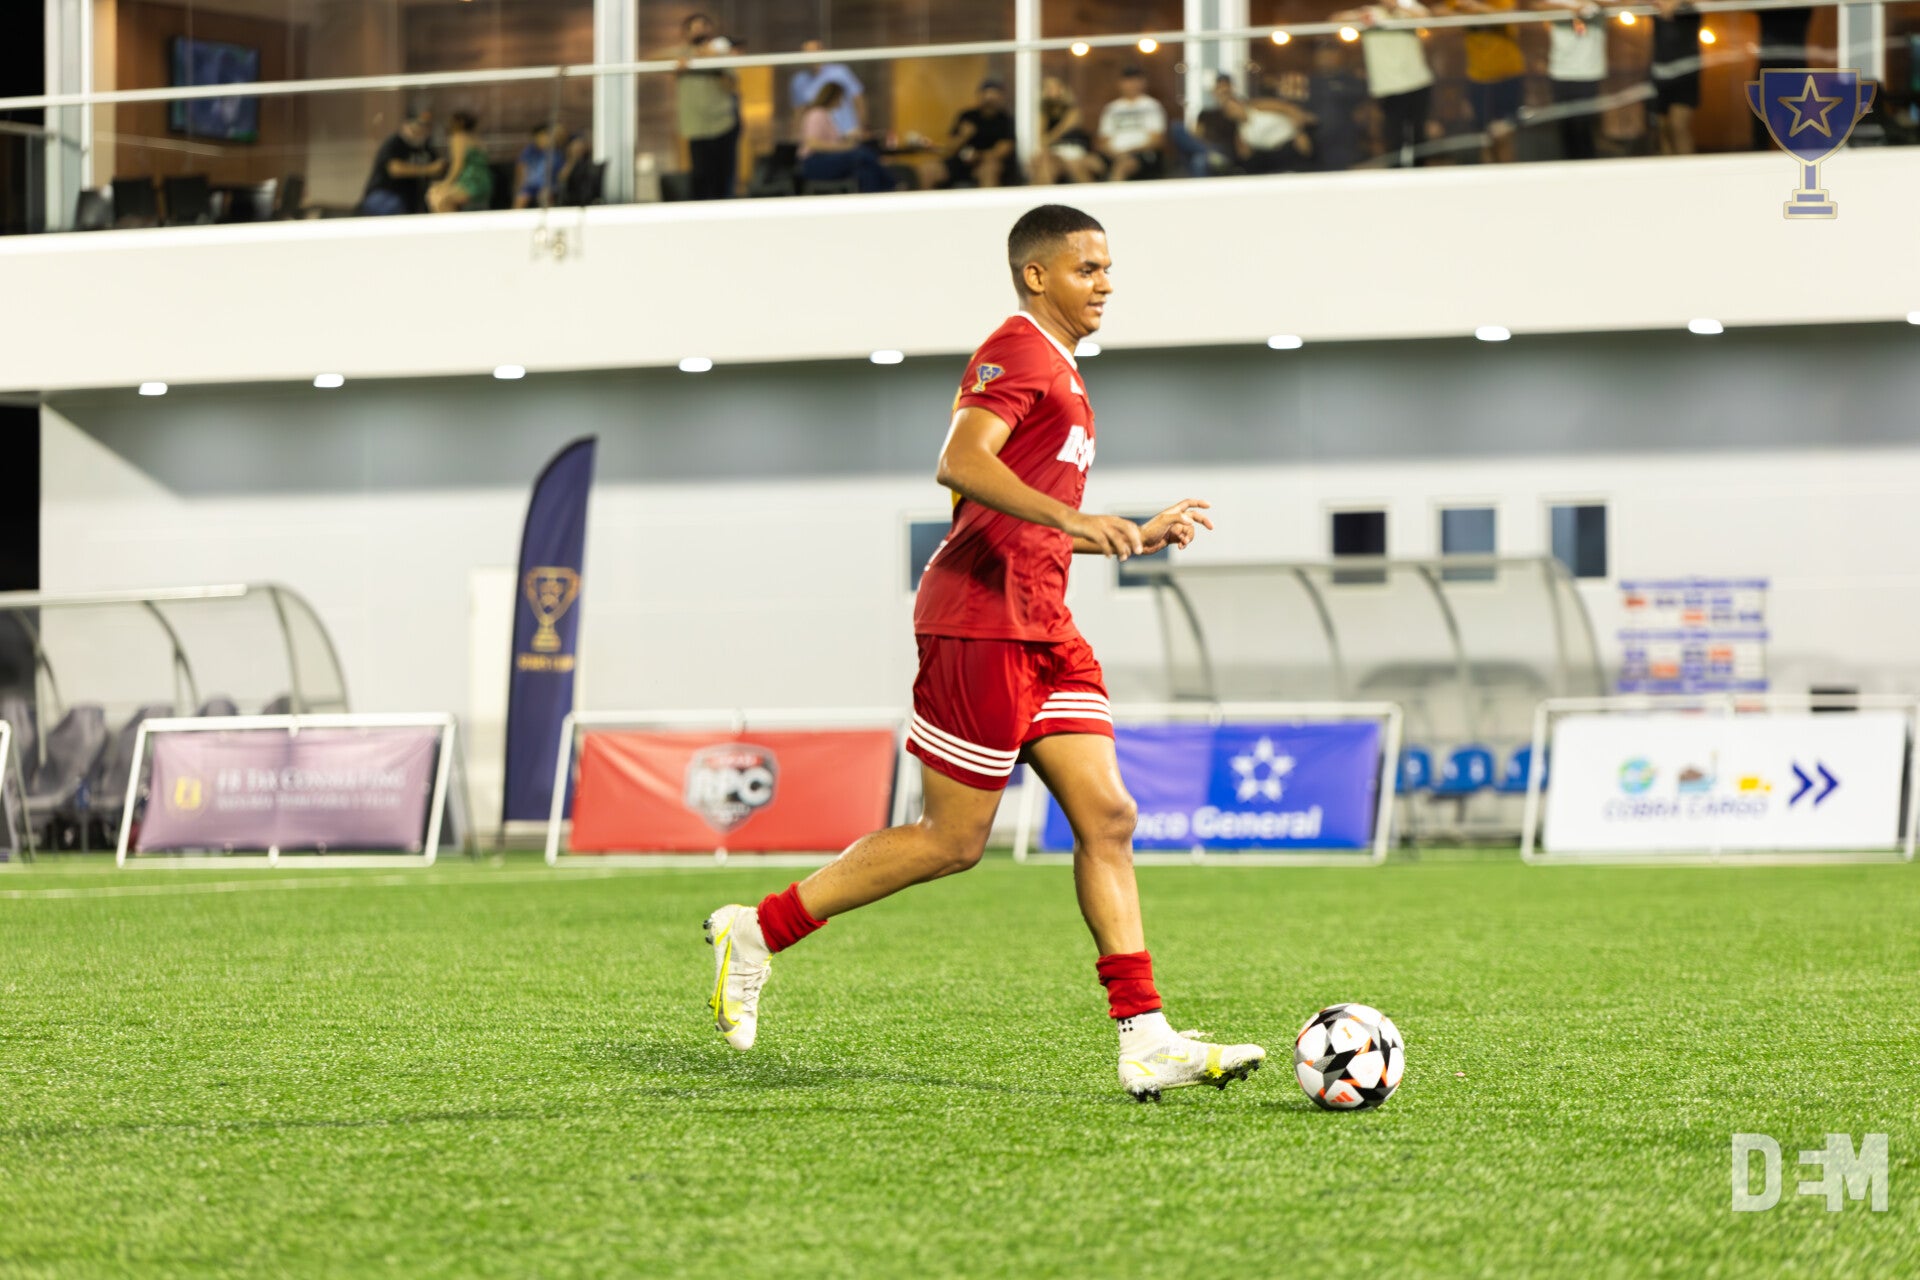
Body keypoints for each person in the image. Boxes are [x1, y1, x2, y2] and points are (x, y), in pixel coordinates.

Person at [702, 203, 1266, 1102]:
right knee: (952, 842)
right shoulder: (1017, 349)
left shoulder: (1064, 371)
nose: (1106, 284)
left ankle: (1146, 1036)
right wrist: (1076, 516)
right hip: (978, 621)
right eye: (1087, 268)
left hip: (1045, 624)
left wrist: (1129, 530)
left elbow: (1022, 513)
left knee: (1108, 817)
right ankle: (759, 930)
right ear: (1037, 276)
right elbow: (961, 463)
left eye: (1109, 268)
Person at [1333, 1, 1435, 167]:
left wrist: (1399, 7)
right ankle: (1395, 171)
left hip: (1418, 81)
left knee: (1418, 132)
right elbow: (1336, 20)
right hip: (1388, 85)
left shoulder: (1409, 6)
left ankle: (1419, 170)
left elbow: (1428, 18)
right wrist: (1359, 16)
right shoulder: (1371, 12)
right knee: (1393, 133)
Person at [672, 13, 741, 199]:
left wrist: (715, 62)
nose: (700, 32)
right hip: (696, 127)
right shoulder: (680, 55)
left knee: (723, 179)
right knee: (701, 178)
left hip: (723, 123)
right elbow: (651, 58)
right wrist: (689, 59)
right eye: (695, 28)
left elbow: (732, 85)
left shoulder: (721, 54)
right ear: (686, 33)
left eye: (704, 26)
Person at [1448, 0, 1526, 163]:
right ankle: (1488, 178)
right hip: (1478, 78)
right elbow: (1438, 11)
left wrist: (1478, 8)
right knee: (1484, 140)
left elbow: (1511, 15)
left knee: (1505, 137)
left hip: (1507, 75)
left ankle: (1509, 177)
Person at [1538, 0, 1608, 161]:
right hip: (1560, 72)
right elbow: (1539, 6)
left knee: (1586, 128)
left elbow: (1620, 4)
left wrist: (1589, 5)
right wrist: (1571, 9)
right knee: (1566, 129)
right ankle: (1570, 168)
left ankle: (1589, 166)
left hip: (1589, 72)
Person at [798, 82, 895, 192]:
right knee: (861, 153)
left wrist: (848, 138)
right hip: (815, 163)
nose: (841, 102)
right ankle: (892, 185)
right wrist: (844, 148)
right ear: (833, 97)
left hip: (827, 159)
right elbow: (813, 144)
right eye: (840, 98)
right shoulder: (816, 114)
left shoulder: (826, 115)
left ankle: (877, 198)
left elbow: (831, 140)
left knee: (865, 172)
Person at [923, 79, 1018, 189]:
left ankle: (987, 200)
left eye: (994, 94)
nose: (989, 98)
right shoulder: (967, 116)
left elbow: (1003, 150)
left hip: (986, 163)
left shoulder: (1006, 121)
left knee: (989, 170)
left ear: (1001, 97)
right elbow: (949, 148)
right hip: (959, 162)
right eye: (986, 93)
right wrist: (963, 136)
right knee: (929, 169)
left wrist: (978, 156)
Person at [358, 109, 443, 216]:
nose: (422, 129)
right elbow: (395, 169)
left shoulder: (426, 148)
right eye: (419, 124)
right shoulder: (395, 142)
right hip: (386, 194)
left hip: (412, 199)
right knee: (392, 206)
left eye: (426, 125)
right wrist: (428, 169)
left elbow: (438, 168)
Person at [1095, 66, 1169, 181]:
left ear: (1143, 83)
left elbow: (1157, 140)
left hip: (1141, 155)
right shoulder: (1112, 108)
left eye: (1136, 81)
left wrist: (1129, 151)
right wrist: (1114, 153)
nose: (1132, 85)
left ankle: (1114, 191)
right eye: (1128, 81)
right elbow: (1102, 141)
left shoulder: (1151, 106)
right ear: (1120, 84)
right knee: (1080, 164)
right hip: (1113, 154)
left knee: (1122, 166)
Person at [1649, 0, 1701, 155]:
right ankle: (1668, 169)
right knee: (1662, 128)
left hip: (1686, 69)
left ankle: (1689, 169)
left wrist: (1678, 1)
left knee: (1678, 125)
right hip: (1659, 69)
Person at [1030, 76, 1104, 185]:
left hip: (1073, 149)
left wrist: (1052, 135)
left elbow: (1062, 131)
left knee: (1074, 165)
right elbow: (1043, 141)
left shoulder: (1072, 110)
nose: (1052, 91)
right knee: (1043, 164)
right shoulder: (1045, 114)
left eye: (1054, 87)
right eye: (1048, 88)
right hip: (1055, 151)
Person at [788, 39, 865, 136]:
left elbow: (858, 100)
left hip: (847, 132)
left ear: (822, 51)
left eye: (813, 51)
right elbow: (799, 112)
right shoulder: (799, 80)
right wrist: (796, 135)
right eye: (806, 52)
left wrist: (861, 127)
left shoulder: (840, 72)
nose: (809, 55)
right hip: (820, 136)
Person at [426, 111, 492, 212]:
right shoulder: (476, 138)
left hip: (471, 183)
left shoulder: (458, 137)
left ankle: (453, 222)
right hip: (484, 182)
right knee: (437, 193)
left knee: (437, 197)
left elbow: (457, 165)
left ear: (459, 122)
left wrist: (446, 183)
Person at [513, 122, 566, 209]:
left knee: (544, 196)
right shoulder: (529, 151)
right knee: (521, 198)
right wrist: (520, 185)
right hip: (530, 185)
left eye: (544, 137)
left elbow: (560, 173)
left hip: (547, 186)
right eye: (538, 137)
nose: (541, 140)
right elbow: (521, 167)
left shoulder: (555, 153)